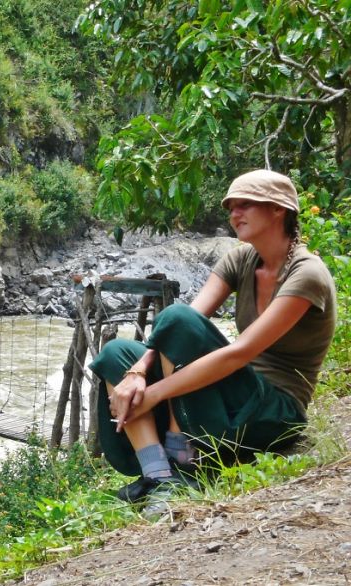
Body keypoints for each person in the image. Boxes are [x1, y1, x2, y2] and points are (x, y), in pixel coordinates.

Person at [89, 169, 336, 508]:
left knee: (175, 318)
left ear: (278, 209)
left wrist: (154, 393)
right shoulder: (241, 258)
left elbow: (240, 352)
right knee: (119, 353)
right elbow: (181, 325)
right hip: (234, 391)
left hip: (275, 409)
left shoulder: (307, 274)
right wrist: (137, 373)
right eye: (231, 207)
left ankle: (184, 462)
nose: (235, 214)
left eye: (245, 205)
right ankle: (158, 475)